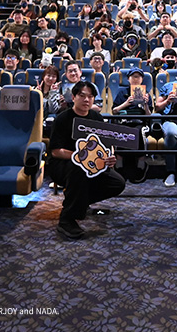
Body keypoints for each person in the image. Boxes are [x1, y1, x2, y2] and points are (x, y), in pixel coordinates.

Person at [50, 81, 126, 239]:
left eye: (90, 97)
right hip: (63, 164)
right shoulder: (62, 119)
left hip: (92, 164)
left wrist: (109, 157)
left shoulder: (96, 118)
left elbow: (107, 145)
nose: (86, 100)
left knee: (117, 183)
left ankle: (78, 202)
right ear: (73, 97)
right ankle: (67, 220)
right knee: (79, 169)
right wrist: (79, 157)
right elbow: (56, 152)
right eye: (82, 96)